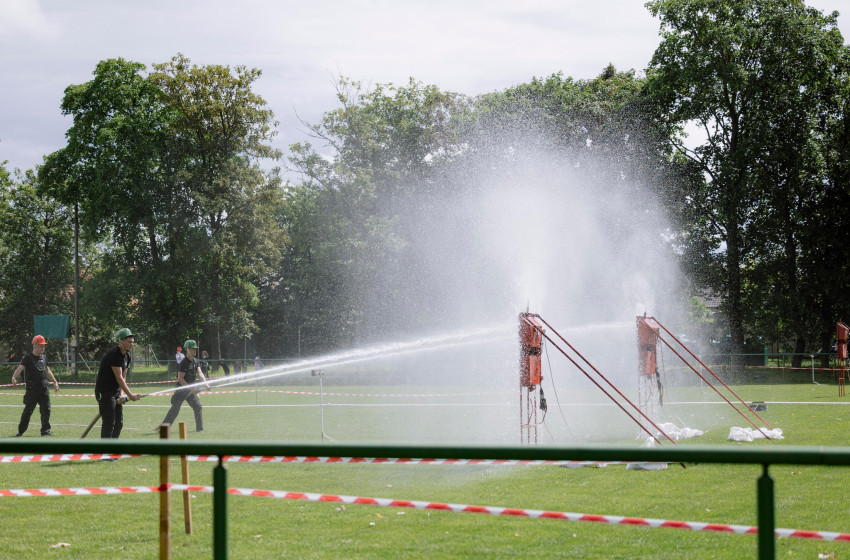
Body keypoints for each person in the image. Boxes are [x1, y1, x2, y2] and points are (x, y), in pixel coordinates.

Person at [95, 328, 140, 438]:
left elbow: (124, 376)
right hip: (105, 392)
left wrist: (121, 394)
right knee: (109, 423)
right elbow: (119, 378)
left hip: (115, 392)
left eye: (132, 342)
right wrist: (131, 396)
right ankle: (106, 454)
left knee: (118, 423)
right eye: (129, 342)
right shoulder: (114, 354)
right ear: (121, 341)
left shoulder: (127, 356)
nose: (131, 345)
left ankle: (113, 452)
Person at [11, 335, 60, 436]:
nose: (43, 348)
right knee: (28, 411)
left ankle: (45, 431)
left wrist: (55, 382)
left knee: (46, 409)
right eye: (41, 346)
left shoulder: (44, 357)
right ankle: (20, 431)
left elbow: (47, 371)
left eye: (44, 346)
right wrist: (14, 377)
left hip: (44, 387)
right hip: (32, 389)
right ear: (35, 345)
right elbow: (19, 369)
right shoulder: (27, 358)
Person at [161, 339, 209, 432]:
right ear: (187, 349)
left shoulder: (196, 361)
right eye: (192, 349)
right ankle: (164, 428)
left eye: (195, 349)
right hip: (182, 389)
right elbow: (180, 379)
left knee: (197, 406)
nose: (195, 350)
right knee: (175, 409)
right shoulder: (183, 362)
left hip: (191, 390)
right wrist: (190, 388)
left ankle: (200, 429)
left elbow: (200, 374)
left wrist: (205, 384)